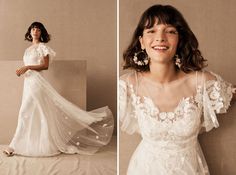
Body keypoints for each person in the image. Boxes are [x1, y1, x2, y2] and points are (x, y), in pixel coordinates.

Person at [119, 5, 236, 175]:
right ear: (141, 42)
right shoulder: (127, 85)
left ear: (180, 40)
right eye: (151, 30)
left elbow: (230, 94)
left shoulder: (201, 82)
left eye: (170, 31)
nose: (160, 38)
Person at [3, 22, 114, 157]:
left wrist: (27, 67)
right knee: (38, 113)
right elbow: (30, 66)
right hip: (28, 83)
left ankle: (13, 146)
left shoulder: (43, 47)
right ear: (29, 32)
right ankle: (39, 144)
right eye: (33, 28)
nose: (35, 31)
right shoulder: (27, 50)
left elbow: (45, 66)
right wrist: (23, 71)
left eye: (38, 29)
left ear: (41, 32)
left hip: (37, 84)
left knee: (25, 111)